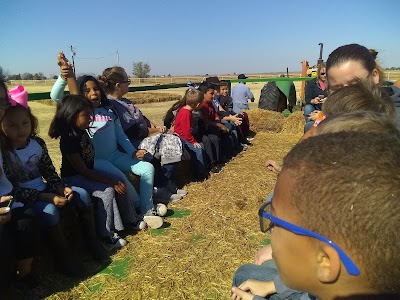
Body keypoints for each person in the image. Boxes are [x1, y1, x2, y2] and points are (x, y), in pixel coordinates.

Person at [0, 86, 106, 277]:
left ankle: (91, 243)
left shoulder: (37, 144)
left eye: (25, 123)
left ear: (32, 122)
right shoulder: (4, 153)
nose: (21, 129)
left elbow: (49, 171)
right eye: (12, 125)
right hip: (24, 198)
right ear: (2, 126)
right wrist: (46, 197)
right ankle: (63, 258)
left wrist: (60, 187)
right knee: (49, 213)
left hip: (44, 188)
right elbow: (12, 190)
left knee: (80, 194)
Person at [50, 55, 165, 229]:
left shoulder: (109, 110)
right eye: (87, 91)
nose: (93, 93)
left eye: (95, 89)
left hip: (115, 155)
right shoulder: (82, 113)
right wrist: (64, 76)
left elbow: (120, 135)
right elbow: (55, 96)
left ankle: (147, 209)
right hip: (97, 161)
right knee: (119, 177)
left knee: (147, 168)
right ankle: (137, 207)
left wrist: (132, 152)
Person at [48, 94, 146, 249]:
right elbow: (83, 171)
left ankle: (130, 219)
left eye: (90, 114)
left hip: (87, 172)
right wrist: (110, 182)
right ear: (71, 116)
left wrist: (113, 180)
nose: (90, 118)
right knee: (106, 191)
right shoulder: (69, 139)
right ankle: (106, 235)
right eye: (85, 115)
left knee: (119, 179)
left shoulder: (83, 130)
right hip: (74, 178)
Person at [96, 66, 185, 203]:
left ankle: (166, 183)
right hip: (130, 143)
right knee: (166, 145)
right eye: (128, 81)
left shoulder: (125, 101)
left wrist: (155, 126)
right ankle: (159, 187)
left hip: (142, 137)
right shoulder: (113, 106)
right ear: (119, 85)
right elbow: (133, 132)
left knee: (174, 140)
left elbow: (142, 119)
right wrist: (157, 131)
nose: (129, 84)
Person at [0, 79, 39, 297]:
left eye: (2, 102)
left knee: (26, 220)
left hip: (7, 198)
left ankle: (24, 276)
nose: (1, 108)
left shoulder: (6, 143)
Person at [173, 88, 209, 179]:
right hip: (181, 137)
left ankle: (203, 168)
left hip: (183, 136)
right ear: (197, 105)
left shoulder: (184, 110)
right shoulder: (186, 113)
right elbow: (186, 132)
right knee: (198, 149)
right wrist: (193, 142)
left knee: (201, 146)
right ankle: (200, 174)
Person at [303, 63, 328, 132]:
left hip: (328, 108)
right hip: (315, 107)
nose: (325, 76)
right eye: (322, 74)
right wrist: (313, 101)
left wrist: (328, 100)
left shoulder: (333, 83)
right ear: (318, 74)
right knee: (308, 108)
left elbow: (337, 97)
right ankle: (311, 127)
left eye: (326, 73)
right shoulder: (312, 83)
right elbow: (307, 99)